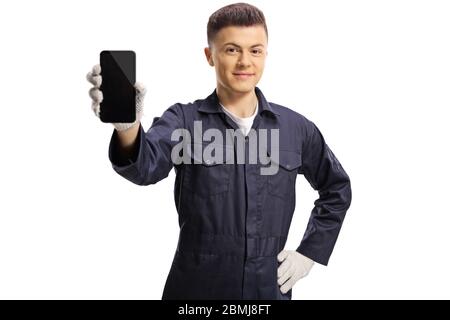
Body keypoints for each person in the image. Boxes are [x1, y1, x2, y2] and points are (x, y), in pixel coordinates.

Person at [86, 2, 351, 300]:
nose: (245, 62)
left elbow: (336, 188)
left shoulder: (296, 129)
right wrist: (128, 127)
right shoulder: (184, 120)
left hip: (268, 293)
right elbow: (145, 166)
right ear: (210, 56)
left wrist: (309, 254)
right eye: (232, 49)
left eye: (255, 50)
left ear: (266, 54)